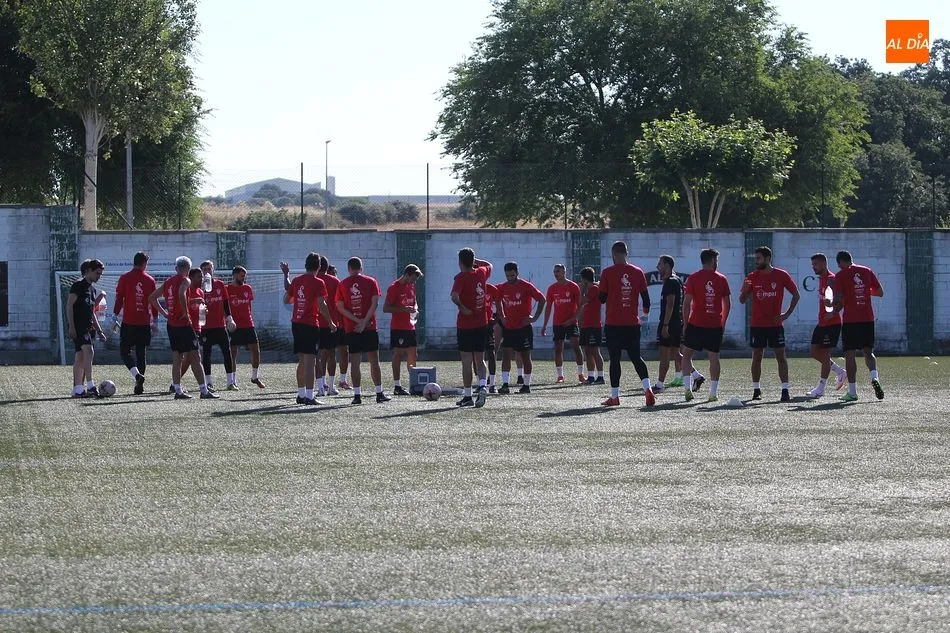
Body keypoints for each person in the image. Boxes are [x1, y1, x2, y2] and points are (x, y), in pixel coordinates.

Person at [149, 256, 217, 400]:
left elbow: (152, 298)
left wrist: (165, 313)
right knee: (196, 357)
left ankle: (178, 391)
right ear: (188, 268)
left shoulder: (168, 282)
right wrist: (186, 313)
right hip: (184, 324)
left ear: (176, 268)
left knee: (177, 358)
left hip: (172, 325)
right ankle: (204, 391)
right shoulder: (186, 280)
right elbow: (181, 293)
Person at [739, 246, 800, 402]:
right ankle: (756, 390)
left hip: (775, 325)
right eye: (756, 258)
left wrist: (786, 315)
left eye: (759, 258)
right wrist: (745, 291)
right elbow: (742, 300)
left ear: (767, 259)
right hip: (757, 324)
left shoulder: (781, 275)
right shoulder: (751, 276)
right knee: (757, 357)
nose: (756, 261)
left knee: (781, 357)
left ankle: (785, 390)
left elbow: (796, 295)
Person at [598, 241, 654, 407]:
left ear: (614, 254)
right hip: (632, 323)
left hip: (613, 324)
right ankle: (647, 390)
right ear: (626, 253)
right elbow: (646, 300)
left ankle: (615, 397)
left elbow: (601, 299)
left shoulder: (607, 272)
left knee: (615, 359)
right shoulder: (638, 272)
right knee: (636, 357)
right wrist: (643, 315)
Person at [335, 257, 391, 405]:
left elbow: (340, 307)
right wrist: (364, 321)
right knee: (374, 361)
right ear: (361, 267)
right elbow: (375, 303)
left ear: (349, 269)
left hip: (352, 328)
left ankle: (357, 395)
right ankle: (379, 393)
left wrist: (357, 321)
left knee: (355, 362)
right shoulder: (371, 281)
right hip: (370, 326)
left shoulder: (342, 284)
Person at [832, 250, 885, 402]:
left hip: (851, 320)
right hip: (867, 318)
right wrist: (864, 292)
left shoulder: (840, 275)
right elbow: (880, 292)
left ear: (841, 262)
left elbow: (839, 299)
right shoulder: (867, 271)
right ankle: (875, 378)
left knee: (850, 354)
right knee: (869, 352)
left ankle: (853, 392)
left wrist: (832, 303)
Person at [285, 252, 336, 406]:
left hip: (296, 323)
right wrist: (331, 322)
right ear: (319, 266)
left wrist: (300, 300)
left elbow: (286, 299)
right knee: (310, 361)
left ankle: (301, 394)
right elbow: (322, 304)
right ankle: (309, 396)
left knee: (302, 360)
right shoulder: (318, 282)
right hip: (309, 324)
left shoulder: (297, 280)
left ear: (306, 264)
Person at [681, 249, 731, 402]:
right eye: (716, 260)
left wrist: (686, 323)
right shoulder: (721, 279)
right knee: (714, 357)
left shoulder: (693, 278)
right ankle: (713, 393)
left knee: (686, 355)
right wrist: (723, 323)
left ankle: (687, 390)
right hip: (714, 324)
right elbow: (727, 305)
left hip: (696, 323)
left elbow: (686, 303)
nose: (717, 264)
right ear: (712, 261)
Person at [450, 248, 492, 407]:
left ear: (460, 262)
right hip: (482, 323)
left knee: (467, 361)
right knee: (480, 359)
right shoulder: (481, 272)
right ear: (473, 261)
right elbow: (489, 265)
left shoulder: (460, 278)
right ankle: (482, 386)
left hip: (465, 325)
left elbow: (454, 296)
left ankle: (468, 396)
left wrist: (462, 307)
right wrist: (476, 261)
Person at [496, 261, 546, 395]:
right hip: (509, 327)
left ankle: (526, 385)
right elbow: (497, 299)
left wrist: (534, 318)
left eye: (512, 275)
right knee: (506, 353)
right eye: (508, 276)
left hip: (523, 328)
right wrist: (502, 316)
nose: (510, 278)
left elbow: (542, 299)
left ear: (517, 273)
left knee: (525, 356)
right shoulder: (503, 287)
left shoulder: (526, 286)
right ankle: (505, 384)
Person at [112, 251, 157, 395]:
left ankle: (137, 376)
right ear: (144, 263)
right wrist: (154, 320)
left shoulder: (125, 278)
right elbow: (153, 301)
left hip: (129, 322)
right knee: (140, 353)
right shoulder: (150, 280)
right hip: (143, 322)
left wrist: (114, 316)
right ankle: (139, 385)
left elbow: (119, 298)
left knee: (125, 352)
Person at [806, 253, 847, 397]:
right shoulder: (822, 279)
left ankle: (821, 389)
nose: (813, 267)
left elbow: (842, 299)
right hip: (822, 323)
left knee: (824, 354)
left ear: (824, 263)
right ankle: (840, 372)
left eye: (815, 265)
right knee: (814, 352)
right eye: (812, 265)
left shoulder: (832, 279)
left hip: (832, 324)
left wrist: (834, 312)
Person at [67, 259, 107, 397]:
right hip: (79, 326)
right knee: (89, 352)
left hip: (89, 327)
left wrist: (100, 330)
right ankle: (90, 386)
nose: (99, 276)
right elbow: (69, 306)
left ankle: (78, 389)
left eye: (100, 274)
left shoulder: (92, 290)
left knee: (80, 357)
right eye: (97, 273)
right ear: (88, 270)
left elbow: (91, 312)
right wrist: (71, 327)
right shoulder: (78, 285)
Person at [541, 264, 584, 384]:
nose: (556, 274)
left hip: (571, 322)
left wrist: (573, 319)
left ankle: (581, 374)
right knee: (558, 348)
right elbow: (548, 307)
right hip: (558, 323)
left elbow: (580, 306)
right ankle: (560, 376)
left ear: (564, 272)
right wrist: (545, 325)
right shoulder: (552, 288)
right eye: (554, 272)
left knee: (576, 345)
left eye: (558, 271)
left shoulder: (573, 287)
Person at [384, 264, 423, 396]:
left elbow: (413, 302)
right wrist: (403, 309)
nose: (414, 281)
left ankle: (414, 384)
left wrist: (414, 310)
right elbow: (386, 308)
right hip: (398, 327)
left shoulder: (411, 287)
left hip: (410, 326)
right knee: (398, 355)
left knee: (413, 354)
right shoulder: (394, 287)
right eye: (413, 278)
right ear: (406, 275)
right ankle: (397, 386)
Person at [199, 260, 237, 391]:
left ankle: (230, 382)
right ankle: (209, 382)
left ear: (213, 270)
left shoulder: (220, 285)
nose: (207, 271)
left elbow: (226, 304)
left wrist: (229, 318)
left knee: (227, 353)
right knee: (206, 355)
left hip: (220, 326)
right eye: (204, 269)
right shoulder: (199, 287)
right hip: (205, 327)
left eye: (209, 269)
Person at [227, 266, 266, 389]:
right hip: (234, 325)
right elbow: (223, 307)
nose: (243, 277)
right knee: (232, 352)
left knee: (255, 349)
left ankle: (255, 377)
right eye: (241, 275)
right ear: (234, 275)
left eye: (244, 275)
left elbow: (249, 306)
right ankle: (232, 380)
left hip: (248, 324)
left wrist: (250, 318)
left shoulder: (247, 288)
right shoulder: (227, 289)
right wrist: (227, 320)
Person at [654, 255, 684, 394]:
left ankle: (659, 385)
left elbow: (670, 304)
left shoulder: (671, 282)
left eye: (659, 264)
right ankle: (696, 375)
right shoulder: (675, 280)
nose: (657, 267)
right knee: (675, 353)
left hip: (670, 323)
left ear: (666, 265)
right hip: (675, 323)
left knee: (664, 354)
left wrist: (665, 325)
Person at [317, 256, 343, 395]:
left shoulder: (314, 280)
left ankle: (321, 387)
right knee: (332, 354)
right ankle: (331, 386)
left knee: (319, 355)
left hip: (316, 322)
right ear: (327, 267)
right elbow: (341, 302)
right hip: (332, 323)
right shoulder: (335, 281)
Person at [576, 267, 605, 385]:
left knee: (595, 351)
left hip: (594, 325)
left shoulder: (594, 288)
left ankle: (601, 376)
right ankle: (591, 376)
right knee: (587, 351)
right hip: (586, 325)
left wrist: (581, 289)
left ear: (584, 279)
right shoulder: (589, 289)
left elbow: (581, 301)